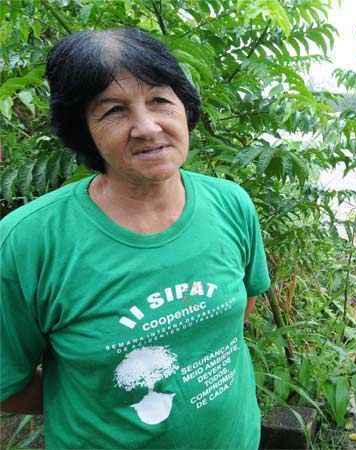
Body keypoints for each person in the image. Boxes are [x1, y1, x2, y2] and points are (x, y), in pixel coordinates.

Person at [0, 28, 270, 449]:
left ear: (185, 107)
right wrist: (97, 398)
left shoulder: (231, 204)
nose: (147, 127)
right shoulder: (28, 243)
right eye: (113, 111)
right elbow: (6, 385)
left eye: (160, 100)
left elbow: (237, 315)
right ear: (81, 131)